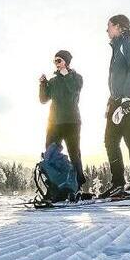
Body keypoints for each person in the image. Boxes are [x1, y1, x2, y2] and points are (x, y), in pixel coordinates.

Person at [101, 14, 130, 198]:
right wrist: (111, 101)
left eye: (109, 26)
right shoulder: (116, 47)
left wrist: (126, 97)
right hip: (116, 100)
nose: (107, 30)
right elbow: (115, 79)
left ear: (119, 27)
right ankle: (118, 184)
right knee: (110, 140)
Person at [39, 50, 86, 191]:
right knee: (50, 153)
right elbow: (43, 100)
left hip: (71, 122)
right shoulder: (53, 81)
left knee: (74, 153)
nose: (56, 64)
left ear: (66, 62)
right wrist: (42, 84)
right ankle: (55, 185)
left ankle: (77, 185)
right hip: (53, 123)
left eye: (59, 60)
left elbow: (74, 90)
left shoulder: (77, 78)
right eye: (55, 61)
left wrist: (66, 75)